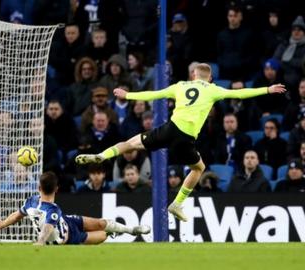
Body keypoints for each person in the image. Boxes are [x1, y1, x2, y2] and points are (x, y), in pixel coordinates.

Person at [75, 63, 286, 221]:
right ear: (210, 77)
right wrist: (267, 89)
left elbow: (153, 94)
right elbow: (240, 93)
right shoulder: (213, 90)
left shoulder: (180, 86)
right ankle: (177, 204)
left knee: (131, 143)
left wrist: (127, 95)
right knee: (199, 168)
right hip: (185, 138)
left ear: (193, 75)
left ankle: (102, 155)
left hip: (169, 129)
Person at [0, 171, 150, 245]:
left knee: (100, 222)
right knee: (102, 234)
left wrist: (2, 224)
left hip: (65, 222)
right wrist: (41, 241)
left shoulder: (31, 201)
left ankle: (132, 230)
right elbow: (47, 227)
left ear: (39, 188)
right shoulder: (52, 210)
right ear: (57, 189)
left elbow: (16, 215)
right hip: (68, 238)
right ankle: (113, 232)